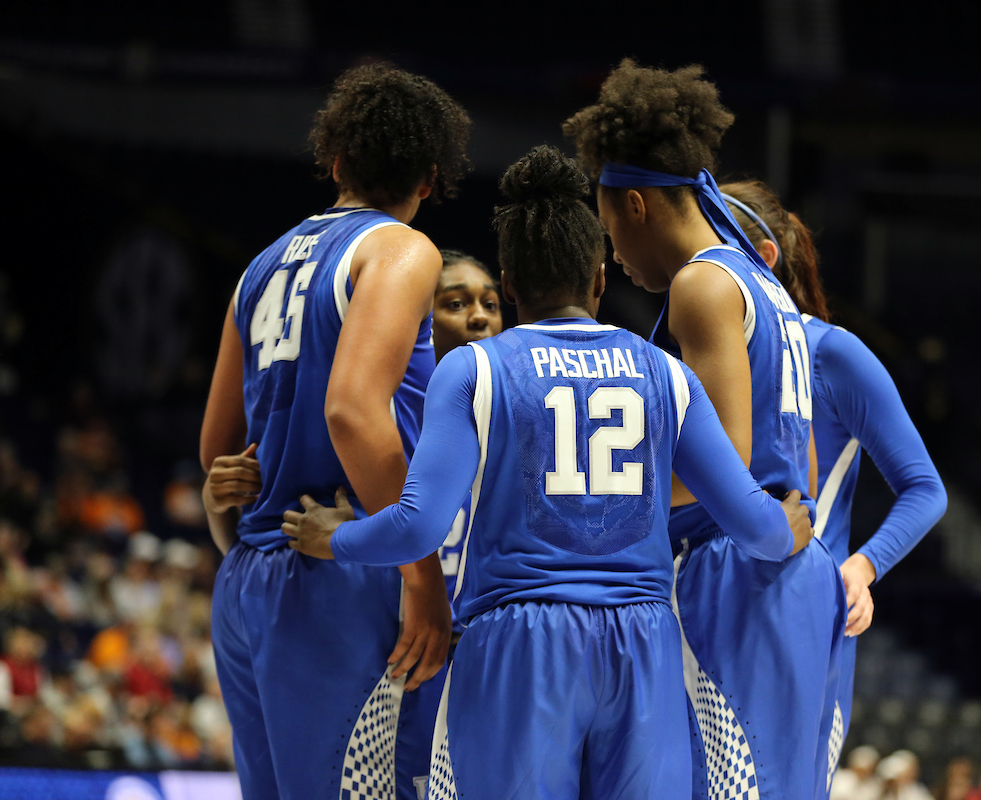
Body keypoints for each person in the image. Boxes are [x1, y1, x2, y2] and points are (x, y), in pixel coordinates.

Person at [284, 145, 814, 800]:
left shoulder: (474, 369)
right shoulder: (666, 374)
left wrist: (332, 538)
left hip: (520, 642)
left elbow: (417, 528)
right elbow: (756, 526)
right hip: (643, 643)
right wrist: (787, 526)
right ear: (599, 280)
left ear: (509, 284)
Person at [563, 59, 847, 800]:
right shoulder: (764, 284)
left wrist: (591, 511)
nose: (613, 257)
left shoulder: (702, 284)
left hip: (735, 568)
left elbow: (725, 469)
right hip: (787, 564)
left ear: (635, 205)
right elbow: (799, 465)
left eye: (609, 232)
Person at [197, 62, 469, 800]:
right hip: (342, 567)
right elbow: (351, 411)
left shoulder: (258, 268)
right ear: (429, 179)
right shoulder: (400, 249)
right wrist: (421, 574)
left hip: (249, 579)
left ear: (337, 161)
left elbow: (216, 455)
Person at [721, 178, 948, 764]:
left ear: (764, 257)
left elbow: (925, 488)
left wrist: (861, 568)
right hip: (710, 600)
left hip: (795, 607)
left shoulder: (832, 353)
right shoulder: (697, 352)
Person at [431, 249, 503, 634]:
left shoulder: (525, 412)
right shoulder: (385, 415)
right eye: (456, 304)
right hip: (402, 639)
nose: (479, 317)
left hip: (492, 638)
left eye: (490, 304)